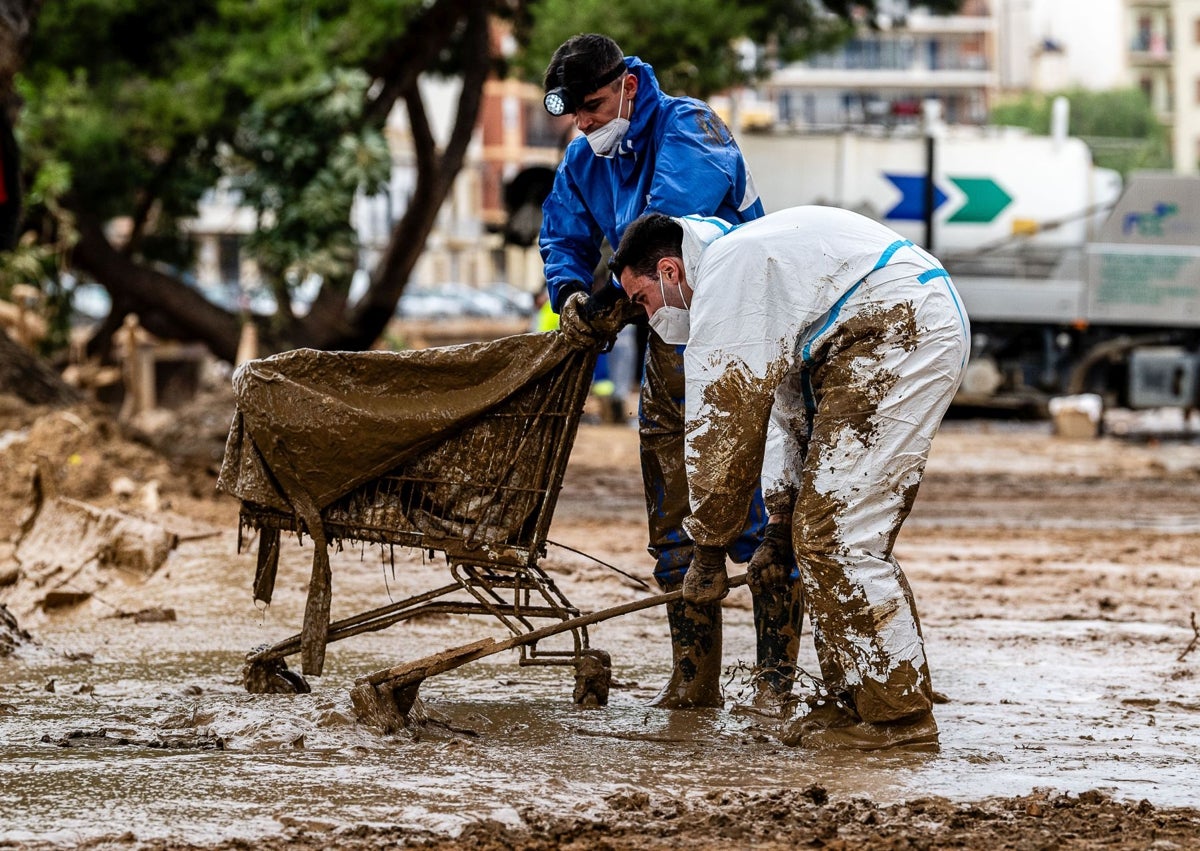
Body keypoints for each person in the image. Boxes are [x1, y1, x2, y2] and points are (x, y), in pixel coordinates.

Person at [609, 207, 970, 750]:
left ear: (669, 271)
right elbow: (787, 411)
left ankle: (897, 720)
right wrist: (778, 524)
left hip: (897, 330)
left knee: (840, 537)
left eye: (642, 301)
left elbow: (723, 425)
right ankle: (855, 699)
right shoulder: (748, 267)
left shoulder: (727, 277)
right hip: (878, 329)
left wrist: (707, 549)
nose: (647, 316)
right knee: (818, 534)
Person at [538, 34, 801, 711]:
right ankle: (694, 681)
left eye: (593, 107)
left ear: (626, 85)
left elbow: (667, 223)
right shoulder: (582, 160)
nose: (586, 124)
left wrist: (606, 295)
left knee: (763, 514)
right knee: (674, 519)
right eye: (575, 117)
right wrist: (569, 289)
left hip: (739, 333)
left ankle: (776, 681)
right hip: (666, 342)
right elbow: (561, 232)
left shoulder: (690, 128)